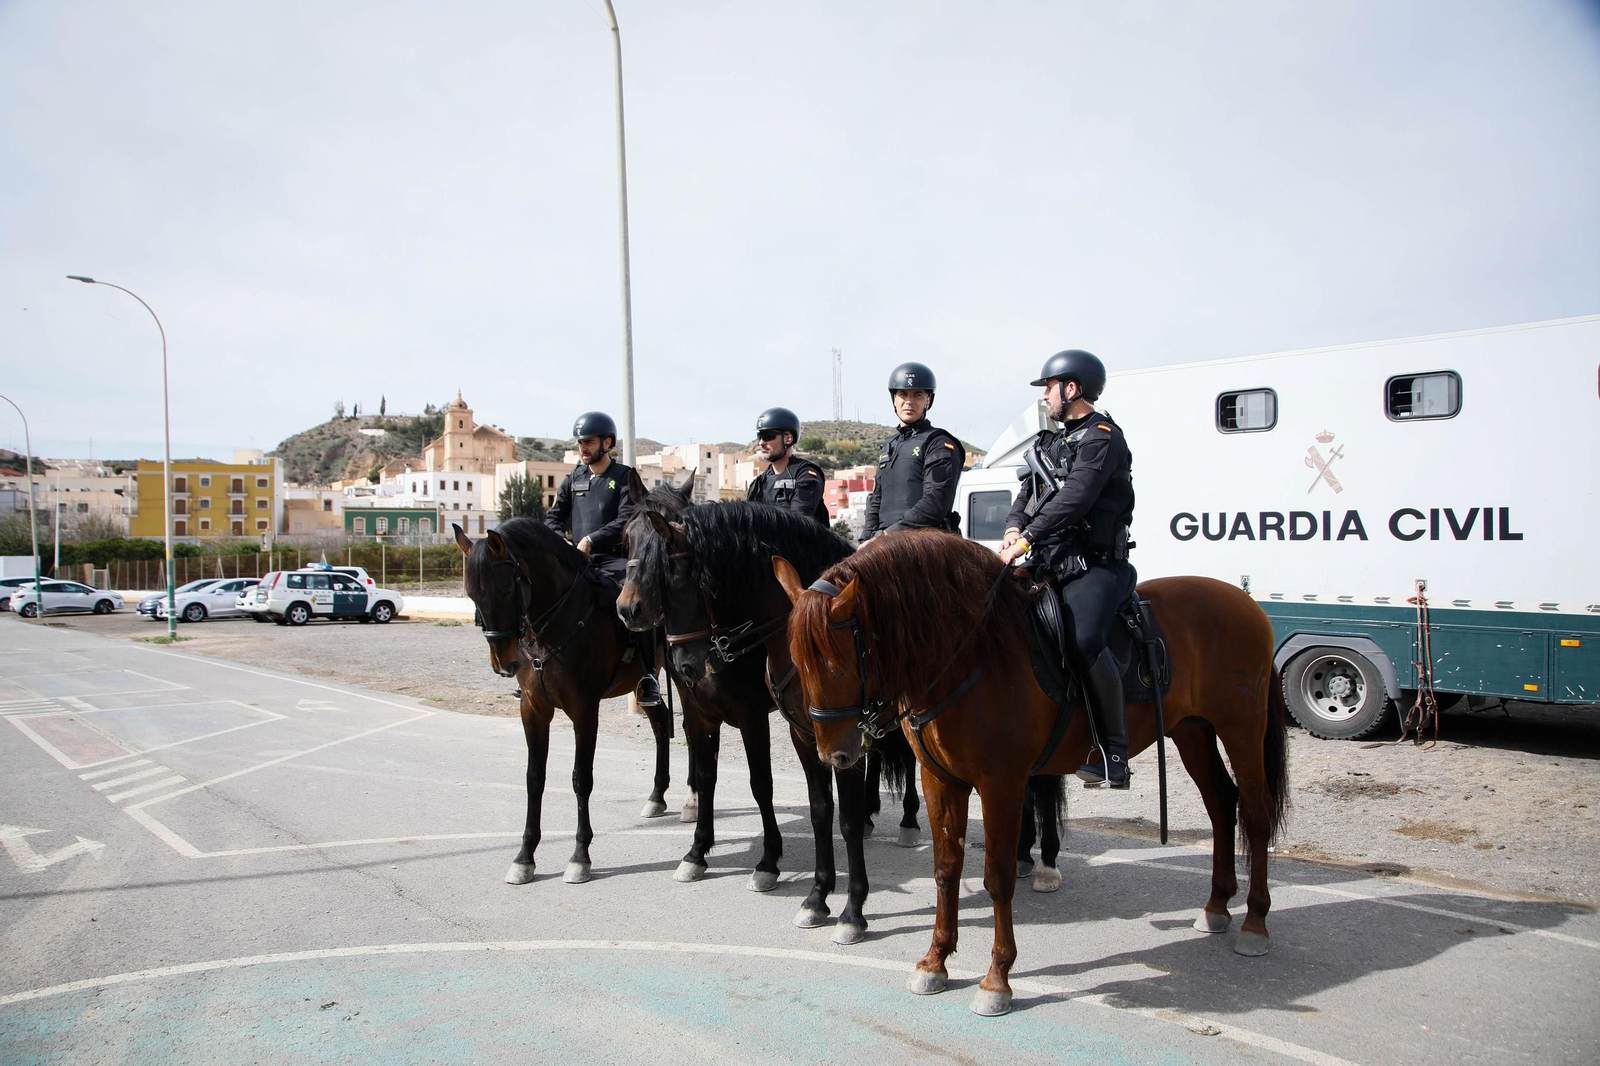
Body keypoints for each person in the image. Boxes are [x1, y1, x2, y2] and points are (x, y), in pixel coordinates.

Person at [996, 350, 1136, 787]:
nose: (1045, 399)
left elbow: (1076, 496)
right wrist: (1013, 526)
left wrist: (1027, 538)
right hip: (1048, 565)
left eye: (1049, 390)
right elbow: (1026, 493)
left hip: (1096, 566)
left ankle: (1114, 749)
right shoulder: (1048, 442)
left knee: (1083, 639)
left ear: (1070, 389)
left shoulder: (1103, 437)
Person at [546, 410, 661, 707]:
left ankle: (648, 676)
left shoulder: (624, 477)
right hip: (577, 559)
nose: (582, 447)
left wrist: (591, 539)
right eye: (580, 442)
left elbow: (628, 517)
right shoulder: (574, 478)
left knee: (636, 602)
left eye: (588, 441)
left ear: (606, 442)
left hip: (615, 560)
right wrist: (560, 539)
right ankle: (535, 669)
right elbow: (554, 516)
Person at [862, 361, 965, 538]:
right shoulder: (889, 445)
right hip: (886, 543)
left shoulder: (939, 442)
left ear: (928, 400)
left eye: (917, 395)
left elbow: (934, 504)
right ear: (894, 398)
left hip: (925, 542)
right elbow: (876, 499)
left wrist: (888, 535)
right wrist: (866, 539)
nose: (909, 401)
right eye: (903, 394)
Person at [746, 407, 829, 525]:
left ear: (788, 438)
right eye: (760, 436)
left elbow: (799, 520)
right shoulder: (759, 483)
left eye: (769, 436)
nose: (761, 443)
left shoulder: (806, 475)